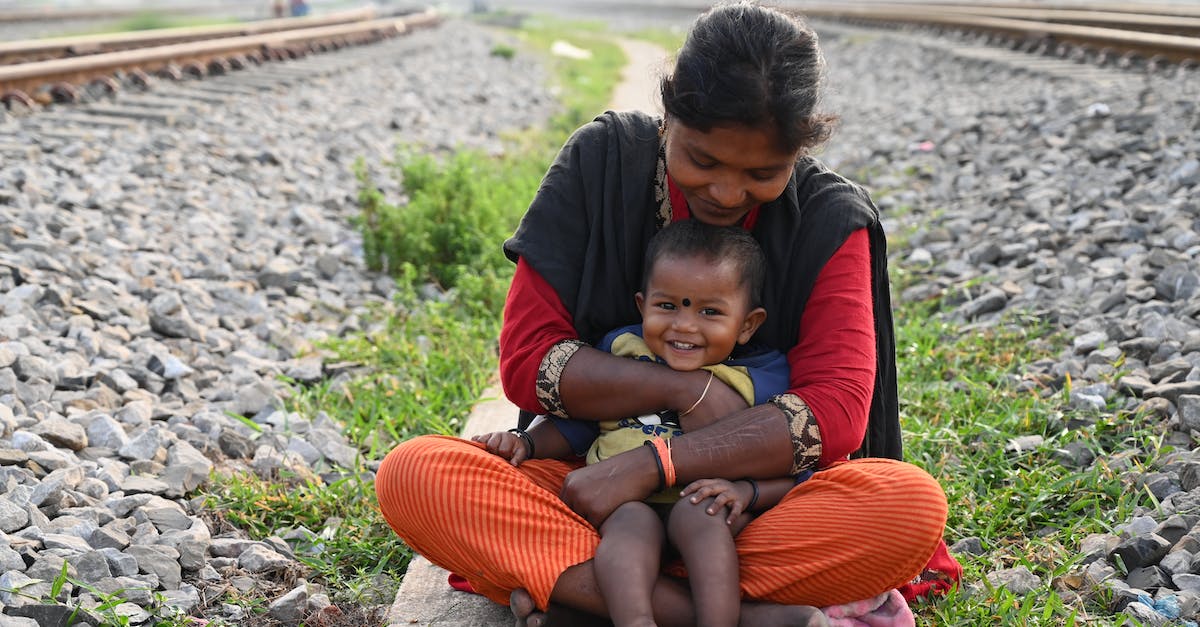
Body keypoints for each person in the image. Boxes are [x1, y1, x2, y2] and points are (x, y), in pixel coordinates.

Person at [375, 2, 960, 626]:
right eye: (703, 161)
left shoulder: (828, 217)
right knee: (415, 474)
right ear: (668, 117)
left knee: (907, 507)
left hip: (746, 508)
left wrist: (657, 463)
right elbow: (528, 363)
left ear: (800, 149)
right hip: (589, 493)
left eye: (764, 173)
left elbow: (838, 413)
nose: (728, 193)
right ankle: (745, 615)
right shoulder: (601, 162)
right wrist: (684, 389)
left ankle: (585, 588)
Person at [473, 221, 814, 627]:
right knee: (628, 528)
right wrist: (526, 443)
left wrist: (746, 490)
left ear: (747, 324)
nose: (684, 325)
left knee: (702, 519)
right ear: (641, 305)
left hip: (705, 502)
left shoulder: (762, 375)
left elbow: (793, 466)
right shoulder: (621, 351)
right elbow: (579, 425)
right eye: (668, 306)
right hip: (620, 502)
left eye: (710, 311)